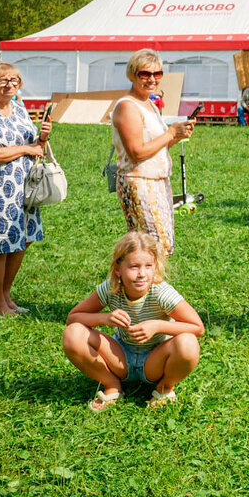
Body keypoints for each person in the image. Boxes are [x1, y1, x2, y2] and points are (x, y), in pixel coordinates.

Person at [62, 231, 204, 411]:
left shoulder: (161, 292)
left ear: (156, 267)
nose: (142, 274)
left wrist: (158, 325)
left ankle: (164, 388)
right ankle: (111, 385)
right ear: (118, 269)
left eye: (148, 266)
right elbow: (73, 318)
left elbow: (197, 327)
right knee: (73, 333)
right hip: (120, 358)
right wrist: (104, 318)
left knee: (188, 342)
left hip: (156, 361)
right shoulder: (111, 289)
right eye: (134, 266)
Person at [0, 63, 53, 318]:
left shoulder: (20, 110)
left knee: (21, 242)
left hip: (24, 191)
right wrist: (26, 149)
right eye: (2, 80)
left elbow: (34, 147)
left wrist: (43, 139)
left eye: (14, 79)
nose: (9, 84)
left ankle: (5, 298)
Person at [111, 49, 195, 257]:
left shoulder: (149, 103)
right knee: (149, 247)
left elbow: (156, 149)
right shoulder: (127, 106)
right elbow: (136, 152)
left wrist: (177, 135)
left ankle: (148, 287)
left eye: (157, 74)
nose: (152, 79)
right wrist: (170, 132)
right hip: (139, 182)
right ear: (133, 74)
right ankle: (134, 287)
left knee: (162, 244)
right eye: (145, 74)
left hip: (158, 180)